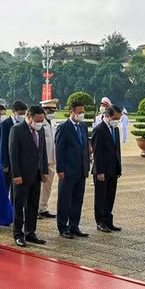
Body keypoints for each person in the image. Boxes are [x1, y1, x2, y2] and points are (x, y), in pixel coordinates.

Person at [8, 105, 48, 247]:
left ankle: (30, 232)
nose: (40, 123)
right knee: (19, 205)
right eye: (37, 120)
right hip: (22, 175)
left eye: (42, 120)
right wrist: (16, 174)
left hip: (36, 174)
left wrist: (44, 171)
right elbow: (13, 154)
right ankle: (18, 233)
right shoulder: (17, 130)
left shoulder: (41, 130)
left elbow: (42, 152)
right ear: (29, 117)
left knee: (33, 204)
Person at [55, 101, 90, 239]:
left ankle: (74, 225)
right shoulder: (64, 127)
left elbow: (85, 148)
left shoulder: (83, 127)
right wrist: (60, 169)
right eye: (79, 112)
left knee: (77, 199)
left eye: (83, 112)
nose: (81, 114)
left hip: (81, 170)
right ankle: (63, 227)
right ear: (71, 112)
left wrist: (86, 167)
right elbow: (59, 149)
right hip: (68, 170)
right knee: (64, 200)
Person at [92, 105, 123, 233]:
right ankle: (100, 222)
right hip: (102, 170)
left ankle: (108, 221)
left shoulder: (115, 129)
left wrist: (118, 168)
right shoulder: (99, 130)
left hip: (113, 169)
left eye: (119, 118)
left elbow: (117, 150)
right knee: (101, 197)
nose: (117, 121)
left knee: (110, 196)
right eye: (115, 118)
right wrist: (99, 171)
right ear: (108, 116)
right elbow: (97, 152)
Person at [0, 100, 27, 192]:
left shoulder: (24, 124)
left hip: (20, 161)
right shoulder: (5, 124)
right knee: (7, 186)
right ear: (14, 111)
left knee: (18, 188)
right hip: (9, 160)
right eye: (20, 113)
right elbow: (3, 144)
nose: (22, 116)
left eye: (24, 113)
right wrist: (4, 163)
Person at [38, 99, 58, 219]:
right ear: (44, 110)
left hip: (52, 159)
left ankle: (43, 207)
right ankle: (35, 209)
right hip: (42, 160)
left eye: (54, 110)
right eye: (50, 110)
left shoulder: (51, 122)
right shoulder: (40, 123)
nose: (52, 113)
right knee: (39, 186)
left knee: (48, 186)